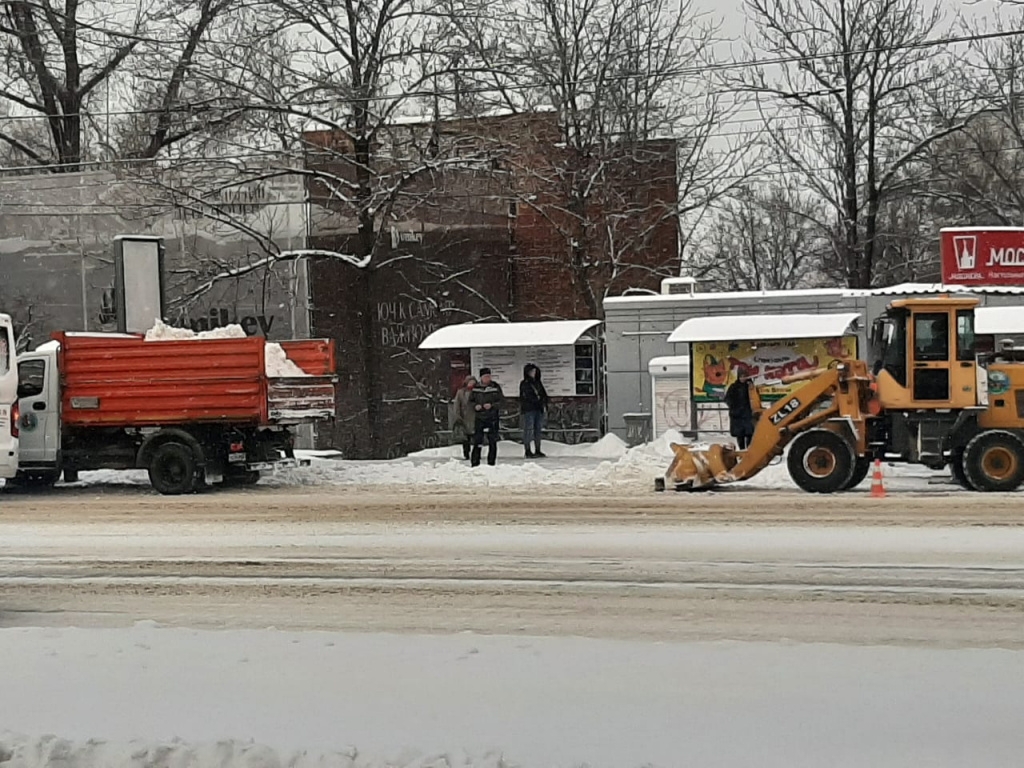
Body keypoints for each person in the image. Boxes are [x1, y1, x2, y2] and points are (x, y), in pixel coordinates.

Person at [470, 367, 504, 467]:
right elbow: (470, 401)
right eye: (485, 376)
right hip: (480, 417)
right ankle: (475, 462)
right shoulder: (476, 388)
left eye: (489, 376)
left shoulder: (495, 387)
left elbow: (501, 401)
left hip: (492, 416)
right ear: (481, 377)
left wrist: (492, 405)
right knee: (478, 440)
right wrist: (475, 406)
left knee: (492, 440)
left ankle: (491, 462)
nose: (487, 378)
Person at [519, 363, 549, 458]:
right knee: (529, 429)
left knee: (538, 429)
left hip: (538, 408)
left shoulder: (538, 383)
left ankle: (537, 449)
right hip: (529, 409)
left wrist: (544, 402)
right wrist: (538, 400)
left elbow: (544, 394)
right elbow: (526, 397)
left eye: (535, 372)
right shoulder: (524, 384)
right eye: (532, 372)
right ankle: (528, 450)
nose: (534, 373)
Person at [724, 371, 755, 450]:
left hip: (748, 414)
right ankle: (742, 450)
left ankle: (748, 450)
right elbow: (727, 398)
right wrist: (733, 407)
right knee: (740, 434)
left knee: (749, 433)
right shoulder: (734, 387)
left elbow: (755, 398)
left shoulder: (751, 387)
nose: (743, 378)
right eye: (741, 376)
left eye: (744, 376)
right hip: (737, 414)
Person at [451, 375, 477, 460]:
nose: (471, 384)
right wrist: (457, 416)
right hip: (464, 417)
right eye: (470, 382)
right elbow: (457, 405)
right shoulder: (461, 392)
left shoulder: (477, 392)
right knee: (465, 438)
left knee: (476, 437)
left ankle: (475, 453)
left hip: (475, 417)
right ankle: (466, 453)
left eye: (473, 382)